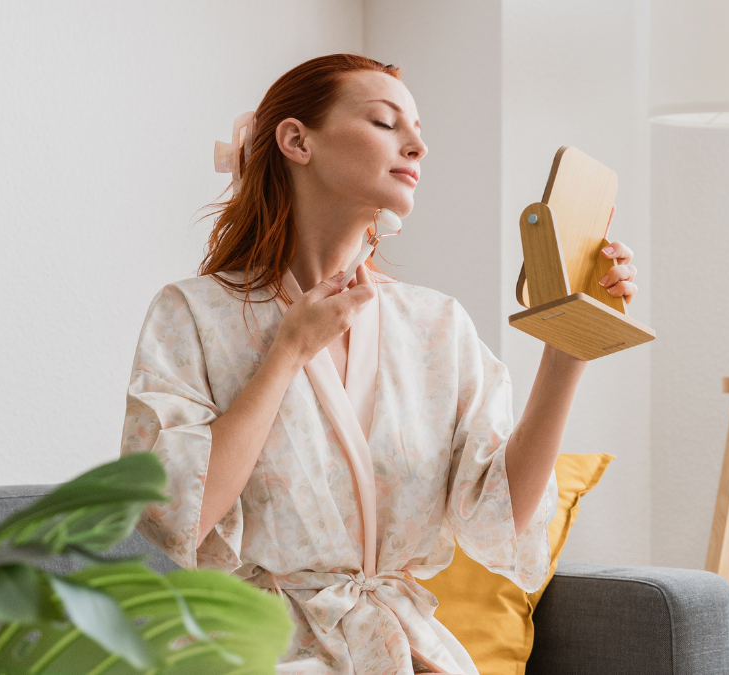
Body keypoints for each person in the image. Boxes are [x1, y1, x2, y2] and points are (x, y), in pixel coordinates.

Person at [121, 54, 639, 675]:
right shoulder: (192, 314)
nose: (417, 145)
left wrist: (567, 350)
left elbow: (499, 519)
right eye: (385, 123)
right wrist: (287, 353)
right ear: (297, 141)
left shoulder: (435, 324)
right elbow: (180, 515)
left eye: (418, 130)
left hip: (402, 649)